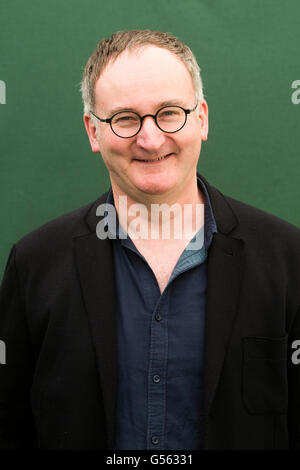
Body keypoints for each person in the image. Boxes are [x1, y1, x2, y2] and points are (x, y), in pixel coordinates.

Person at [0, 29, 300, 451]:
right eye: (125, 118)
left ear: (202, 118)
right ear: (92, 131)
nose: (150, 138)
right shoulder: (34, 265)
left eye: (169, 112)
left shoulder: (289, 260)